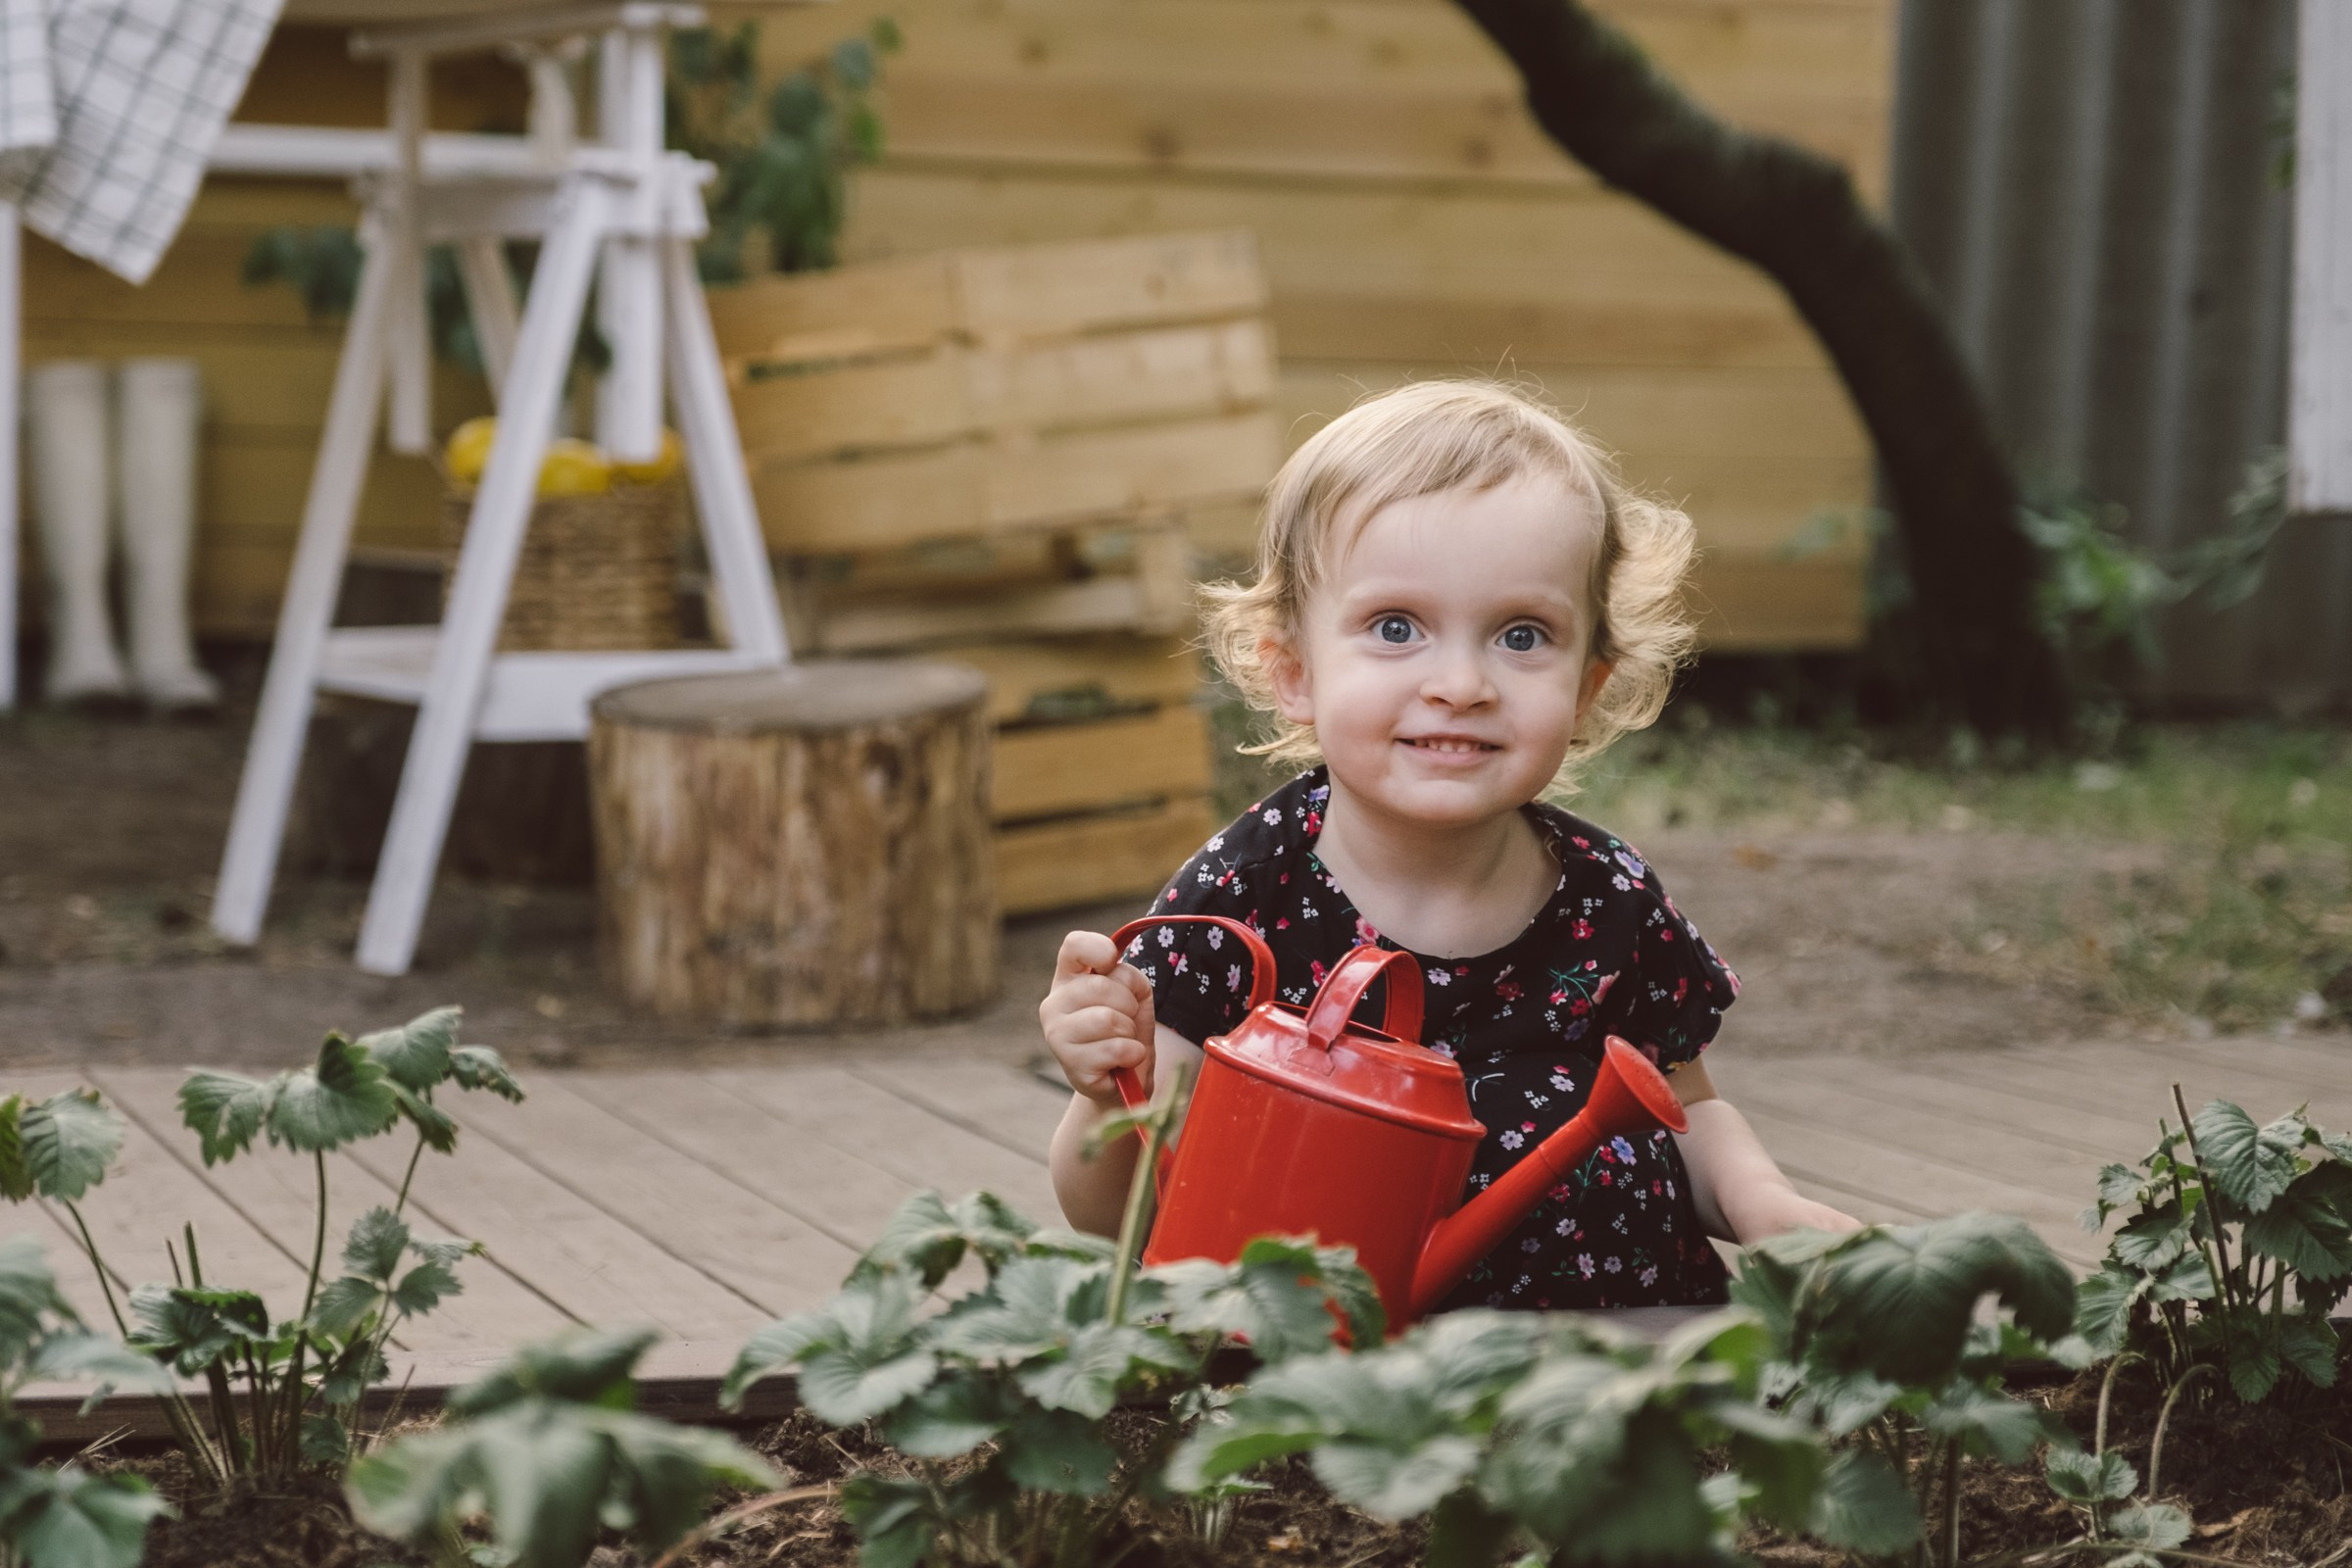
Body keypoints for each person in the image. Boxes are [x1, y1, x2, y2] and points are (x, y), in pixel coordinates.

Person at [1038, 379, 1859, 1311]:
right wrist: (1108, 1095)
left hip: (1636, 1364)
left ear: (1589, 686)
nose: (1461, 683)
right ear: (1294, 673)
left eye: (1522, 635)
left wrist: (1765, 1207)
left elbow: (1690, 1114)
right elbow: (1115, 1213)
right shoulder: (1242, 895)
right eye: (1397, 628)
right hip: (1345, 1413)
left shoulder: (1609, 897)